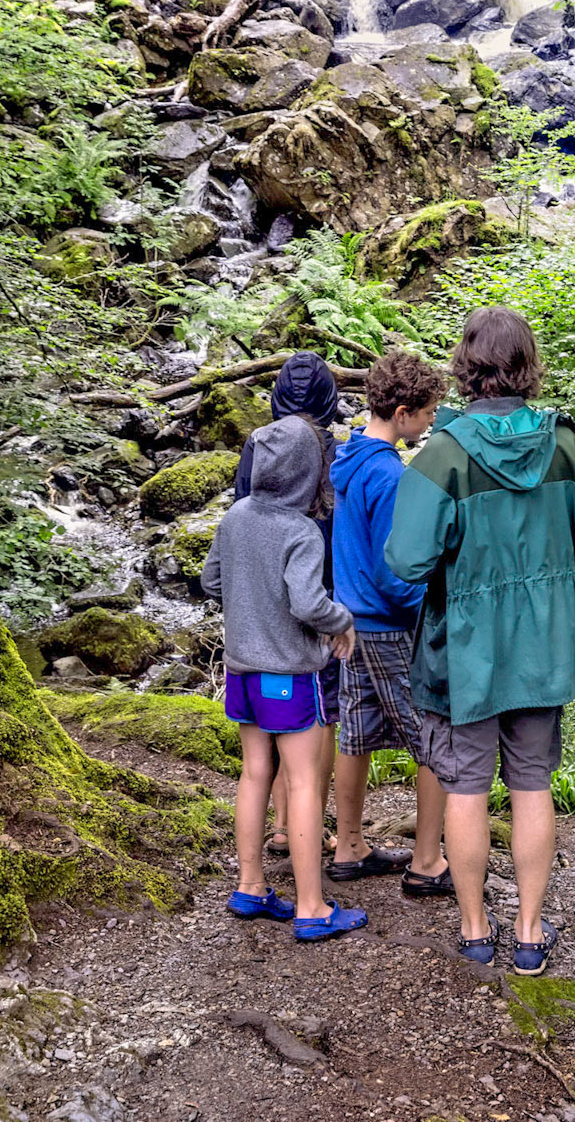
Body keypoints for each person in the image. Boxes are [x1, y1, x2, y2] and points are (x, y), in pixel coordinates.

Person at [385, 305, 575, 973]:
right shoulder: (564, 444)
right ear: (527, 367)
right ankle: (530, 930)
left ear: (467, 366)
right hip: (545, 644)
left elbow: (405, 561)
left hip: (466, 651)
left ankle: (474, 927)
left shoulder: (445, 454)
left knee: (465, 787)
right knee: (531, 785)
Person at [202, 415, 368, 942]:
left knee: (254, 773)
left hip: (242, 671)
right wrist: (341, 620)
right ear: (308, 471)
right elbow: (306, 603)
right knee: (299, 782)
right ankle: (313, 907)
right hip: (290, 676)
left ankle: (250, 886)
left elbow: (211, 581)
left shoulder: (235, 517)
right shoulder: (300, 530)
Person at [329, 349, 453, 894]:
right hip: (387, 625)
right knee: (432, 736)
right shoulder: (386, 475)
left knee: (354, 733)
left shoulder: (350, 457)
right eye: (426, 413)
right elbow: (393, 568)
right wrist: (425, 607)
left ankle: (349, 844)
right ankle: (427, 861)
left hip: (352, 623)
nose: (429, 423)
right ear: (401, 412)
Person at [234, 351, 345, 862]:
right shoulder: (332, 452)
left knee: (262, 747)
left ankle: (280, 830)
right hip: (315, 606)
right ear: (328, 398)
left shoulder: (257, 446)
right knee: (315, 722)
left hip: (255, 617)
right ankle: (305, 827)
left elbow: (243, 515)